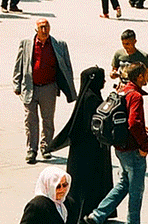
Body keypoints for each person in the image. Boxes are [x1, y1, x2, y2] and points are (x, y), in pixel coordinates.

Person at [82, 62, 148, 224]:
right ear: (139, 76)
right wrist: (144, 146)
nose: (147, 78)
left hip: (120, 147)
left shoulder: (121, 91)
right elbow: (133, 123)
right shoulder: (135, 96)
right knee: (136, 191)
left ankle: (97, 216)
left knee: (124, 184)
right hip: (133, 150)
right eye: (146, 75)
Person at [51, 67, 113, 224]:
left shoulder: (89, 96)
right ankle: (89, 211)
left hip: (83, 150)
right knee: (91, 181)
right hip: (90, 151)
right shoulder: (91, 98)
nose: (104, 81)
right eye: (102, 78)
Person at [14, 18, 77, 165]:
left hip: (49, 87)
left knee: (48, 119)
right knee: (30, 120)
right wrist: (17, 84)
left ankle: (46, 146)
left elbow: (67, 66)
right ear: (36, 29)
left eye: (47, 27)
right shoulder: (26, 44)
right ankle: (32, 150)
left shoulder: (59, 45)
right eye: (42, 27)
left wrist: (69, 87)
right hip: (30, 87)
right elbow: (19, 65)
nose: (45, 30)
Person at [112, 30, 148, 113]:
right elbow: (113, 72)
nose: (125, 46)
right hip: (122, 92)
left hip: (134, 93)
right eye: (123, 44)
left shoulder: (142, 56)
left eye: (128, 44)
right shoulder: (118, 54)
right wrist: (113, 74)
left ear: (135, 41)